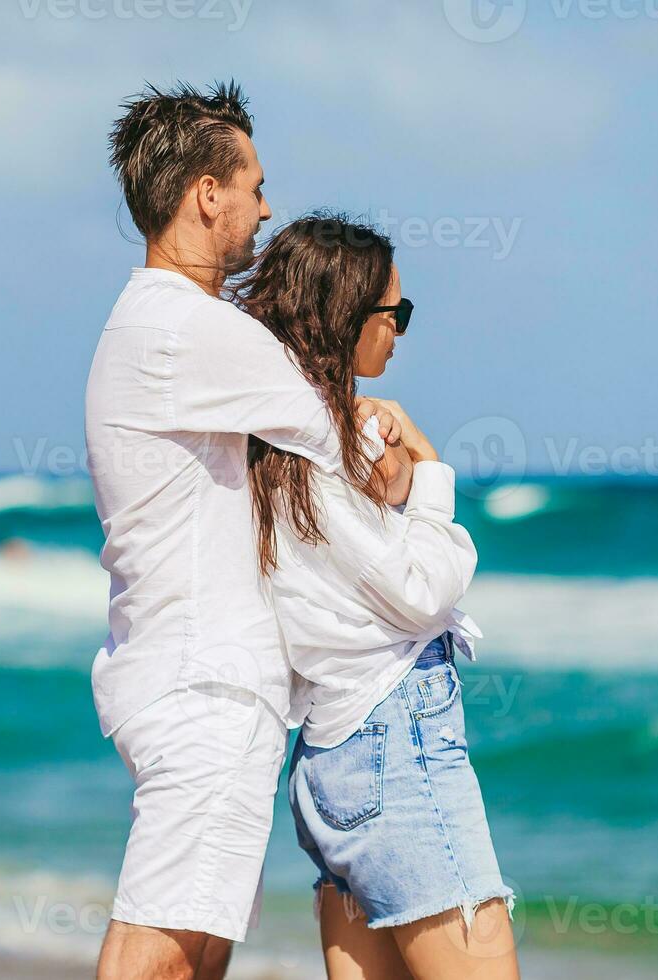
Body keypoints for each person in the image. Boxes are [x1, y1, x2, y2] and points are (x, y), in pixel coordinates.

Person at [86, 83, 405, 980]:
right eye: (255, 186)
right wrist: (404, 439)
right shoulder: (190, 331)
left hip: (189, 676)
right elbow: (342, 442)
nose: (268, 208)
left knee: (194, 952)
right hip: (206, 688)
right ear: (206, 193)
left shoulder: (159, 324)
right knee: (161, 956)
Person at [239, 214, 520, 979]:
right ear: (346, 317)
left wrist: (390, 479)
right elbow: (424, 590)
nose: (400, 330)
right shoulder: (321, 454)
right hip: (394, 739)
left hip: (329, 756)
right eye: (394, 313)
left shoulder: (266, 447)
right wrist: (430, 471)